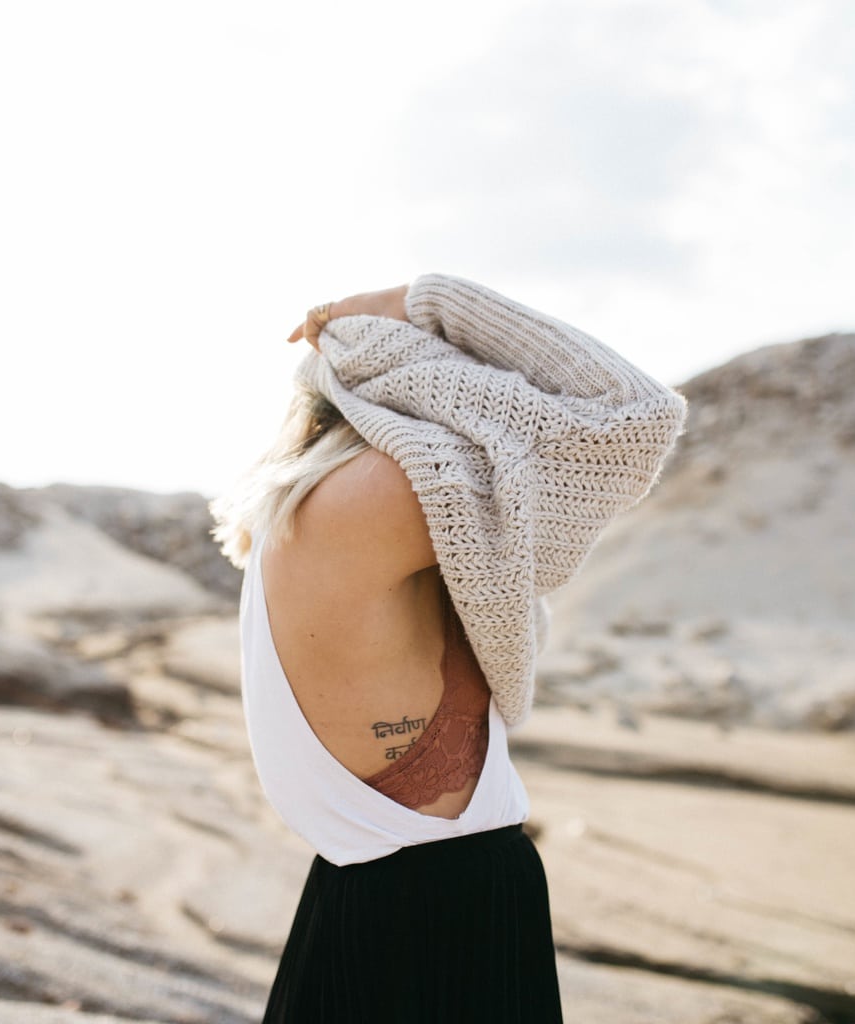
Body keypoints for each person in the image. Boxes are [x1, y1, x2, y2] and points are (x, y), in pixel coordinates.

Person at [211, 274, 687, 1023]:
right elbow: (633, 414)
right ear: (414, 377)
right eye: (464, 368)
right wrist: (416, 302)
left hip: (381, 896)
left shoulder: (321, 503)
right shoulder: (376, 492)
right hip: (437, 910)